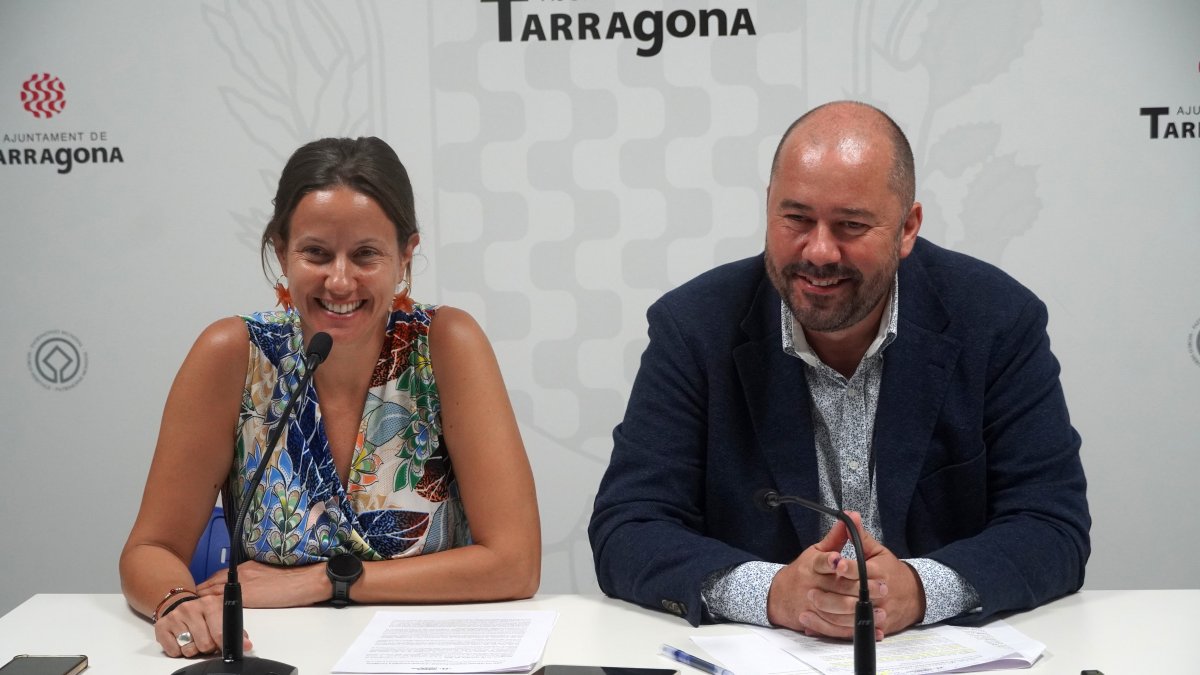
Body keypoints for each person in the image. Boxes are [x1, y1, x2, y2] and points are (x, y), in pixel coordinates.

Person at [588, 101, 1090, 639]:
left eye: (850, 225)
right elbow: (629, 526)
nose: (820, 251)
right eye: (796, 219)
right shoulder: (694, 328)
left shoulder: (996, 320)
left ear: (907, 228)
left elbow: (1050, 524)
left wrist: (919, 592)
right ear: (768, 208)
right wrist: (773, 593)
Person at [120, 137, 541, 658]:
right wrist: (177, 601)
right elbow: (150, 548)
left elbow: (515, 564)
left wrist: (328, 581)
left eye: (365, 254)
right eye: (316, 253)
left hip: (428, 656)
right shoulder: (232, 354)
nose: (339, 281)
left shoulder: (447, 345)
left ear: (406, 254)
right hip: (274, 654)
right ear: (281, 251)